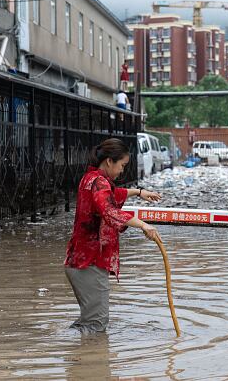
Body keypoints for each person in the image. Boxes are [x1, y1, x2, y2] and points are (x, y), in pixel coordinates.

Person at [65, 138, 161, 334]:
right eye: (122, 165)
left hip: (79, 261)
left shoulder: (90, 178)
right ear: (109, 161)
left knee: (89, 320)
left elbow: (112, 194)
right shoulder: (99, 182)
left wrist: (139, 192)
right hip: (89, 264)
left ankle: (74, 356)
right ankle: (92, 361)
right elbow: (109, 210)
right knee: (97, 323)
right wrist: (143, 225)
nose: (122, 171)